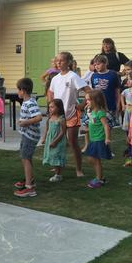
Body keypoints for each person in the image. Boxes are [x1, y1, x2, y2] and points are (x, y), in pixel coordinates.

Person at [48, 51, 90, 179]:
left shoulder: (73, 76)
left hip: (71, 114)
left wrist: (82, 105)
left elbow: (88, 91)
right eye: (57, 60)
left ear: (69, 62)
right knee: (57, 141)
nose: (58, 63)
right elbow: (50, 92)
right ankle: (57, 166)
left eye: (61, 60)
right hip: (59, 116)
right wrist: (51, 106)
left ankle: (78, 169)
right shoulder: (55, 78)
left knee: (72, 142)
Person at [13, 78, 42, 198]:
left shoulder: (30, 103)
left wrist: (26, 122)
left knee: (26, 158)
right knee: (25, 157)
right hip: (26, 134)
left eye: (18, 90)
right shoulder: (26, 102)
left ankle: (29, 188)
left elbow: (38, 117)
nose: (17, 92)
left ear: (23, 91)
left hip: (30, 136)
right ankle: (29, 179)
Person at [83, 90, 112, 189]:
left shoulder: (100, 113)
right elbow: (93, 124)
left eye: (88, 100)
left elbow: (106, 126)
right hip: (93, 139)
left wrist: (107, 138)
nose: (87, 102)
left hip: (99, 139)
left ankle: (99, 179)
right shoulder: (92, 112)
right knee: (92, 158)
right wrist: (86, 130)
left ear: (96, 100)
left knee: (94, 159)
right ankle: (101, 177)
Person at [90, 55, 121, 127]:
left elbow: (117, 90)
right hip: (97, 106)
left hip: (110, 105)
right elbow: (93, 91)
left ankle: (108, 138)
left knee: (109, 125)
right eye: (95, 65)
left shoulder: (113, 74)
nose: (96, 66)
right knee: (98, 125)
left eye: (98, 64)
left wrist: (118, 104)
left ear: (105, 63)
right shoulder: (93, 75)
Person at [40, 99, 67, 182]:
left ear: (59, 108)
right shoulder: (50, 117)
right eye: (49, 107)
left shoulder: (61, 119)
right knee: (52, 155)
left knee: (57, 155)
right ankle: (56, 170)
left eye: (52, 107)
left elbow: (63, 132)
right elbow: (47, 129)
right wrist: (44, 138)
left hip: (58, 141)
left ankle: (58, 175)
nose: (50, 109)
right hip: (50, 139)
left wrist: (55, 141)